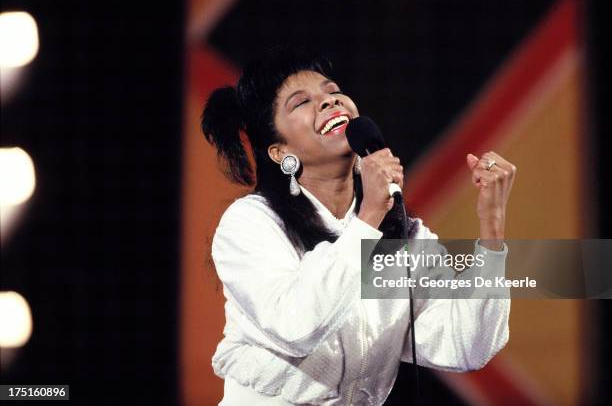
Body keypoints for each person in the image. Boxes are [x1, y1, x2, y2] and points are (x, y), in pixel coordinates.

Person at [201, 46, 516, 405]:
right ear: (279, 152)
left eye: (333, 92)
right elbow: (296, 324)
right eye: (301, 102)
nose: (328, 102)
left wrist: (491, 227)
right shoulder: (252, 223)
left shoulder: (402, 233)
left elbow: (465, 345)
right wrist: (368, 218)